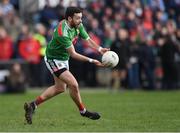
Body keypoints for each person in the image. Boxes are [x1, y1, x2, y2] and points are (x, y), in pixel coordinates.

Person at [24, 7, 109, 124]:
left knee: (60, 88)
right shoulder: (62, 32)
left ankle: (32, 105)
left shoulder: (77, 25)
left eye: (81, 18)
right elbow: (73, 54)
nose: (80, 20)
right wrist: (92, 60)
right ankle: (83, 111)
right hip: (53, 59)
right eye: (78, 18)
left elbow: (87, 40)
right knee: (74, 84)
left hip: (63, 59)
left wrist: (100, 49)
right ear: (69, 18)